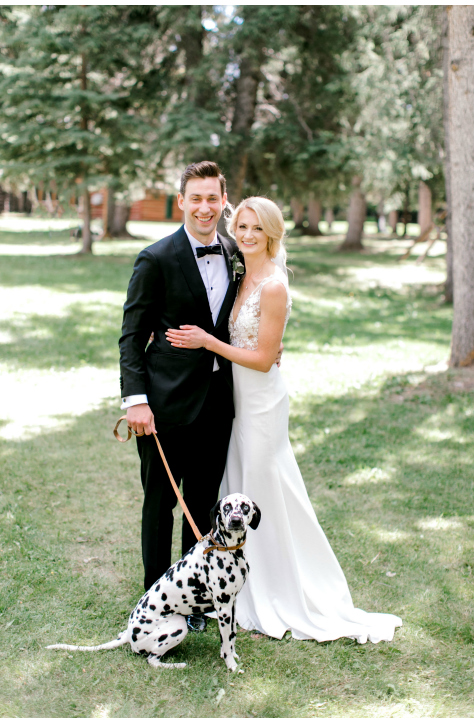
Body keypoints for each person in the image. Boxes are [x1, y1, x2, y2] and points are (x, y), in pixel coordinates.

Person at [165, 196, 402, 643]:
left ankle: (272, 590)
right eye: (243, 227)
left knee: (259, 488)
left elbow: (262, 358)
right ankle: (240, 583)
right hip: (234, 398)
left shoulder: (273, 285)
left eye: (257, 229)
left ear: (272, 234)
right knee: (241, 483)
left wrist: (207, 343)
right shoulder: (241, 270)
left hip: (261, 401)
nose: (247, 235)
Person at [118, 161, 244, 634]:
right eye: (197, 198)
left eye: (213, 198)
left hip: (218, 401)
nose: (205, 207)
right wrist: (136, 400)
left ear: (223, 201)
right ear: (182, 202)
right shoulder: (156, 258)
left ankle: (197, 595)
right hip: (165, 403)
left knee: (205, 500)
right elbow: (131, 336)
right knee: (160, 500)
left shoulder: (235, 251)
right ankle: (156, 593)